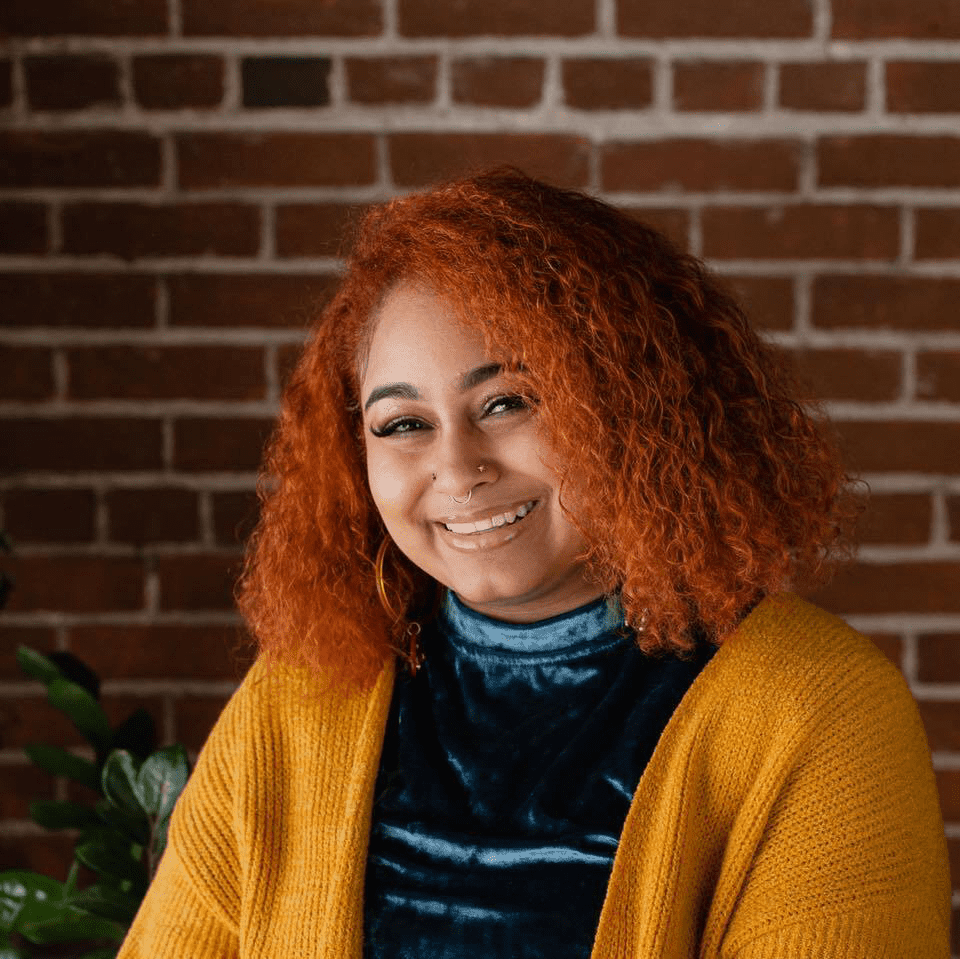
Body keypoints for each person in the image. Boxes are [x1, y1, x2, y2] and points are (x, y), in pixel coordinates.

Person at [118, 169, 951, 958]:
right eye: (402, 422)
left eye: (507, 402)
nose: (456, 465)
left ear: (627, 407)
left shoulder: (818, 714)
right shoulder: (297, 696)